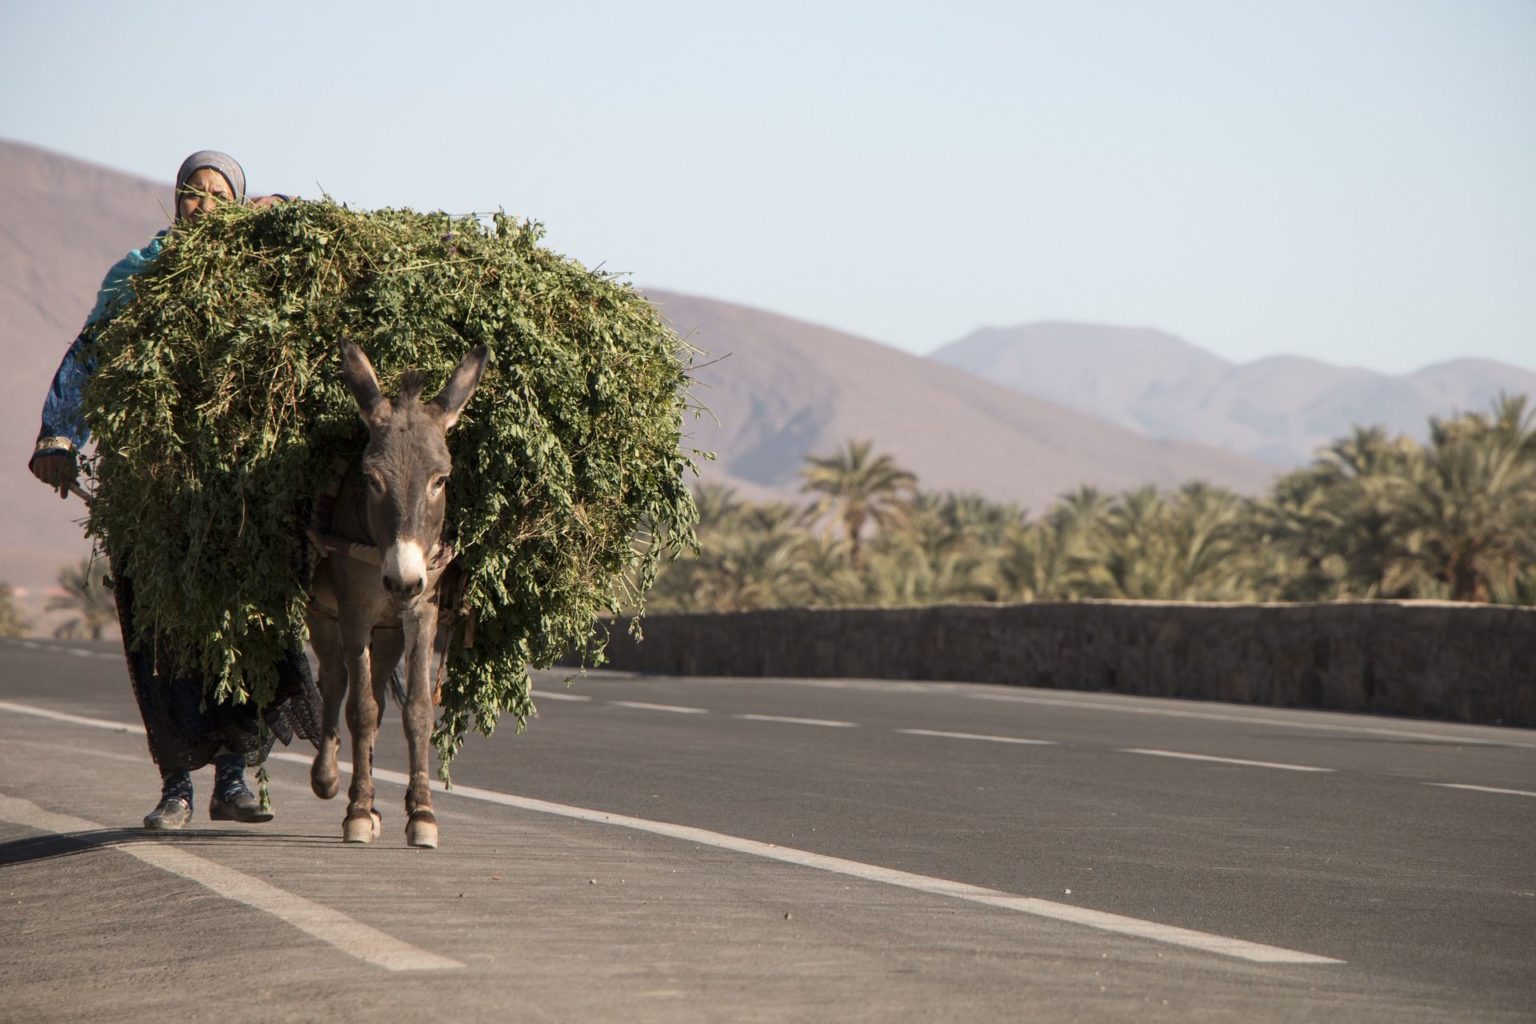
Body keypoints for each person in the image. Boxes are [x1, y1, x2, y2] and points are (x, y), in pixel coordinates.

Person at [29, 150, 318, 830]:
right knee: (160, 636)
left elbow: (316, 271)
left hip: (234, 491)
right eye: (193, 192)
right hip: (154, 488)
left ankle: (235, 780)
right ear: (174, 201)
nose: (204, 205)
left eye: (220, 195)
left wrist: (285, 214)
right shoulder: (137, 277)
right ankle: (177, 787)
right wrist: (60, 437)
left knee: (244, 626)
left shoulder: (258, 283)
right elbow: (91, 354)